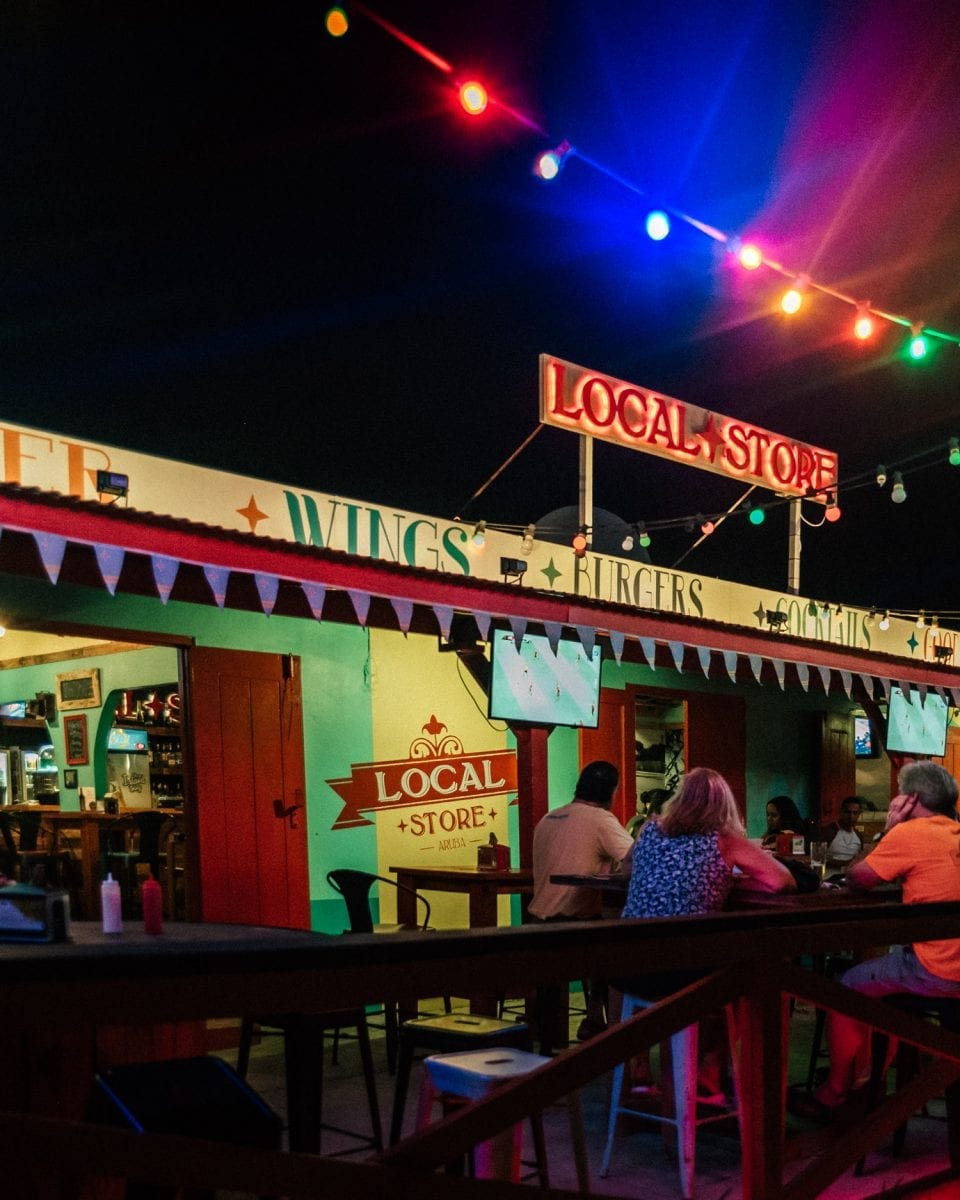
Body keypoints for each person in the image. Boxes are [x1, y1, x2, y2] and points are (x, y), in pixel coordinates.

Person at [791, 761, 960, 1120]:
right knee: (883, 996)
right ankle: (870, 1082)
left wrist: (888, 830)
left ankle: (836, 1092)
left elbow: (857, 878)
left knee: (846, 986)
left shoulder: (910, 834)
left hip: (939, 970)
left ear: (911, 799)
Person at [618, 768, 796, 1098]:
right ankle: (709, 1075)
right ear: (724, 805)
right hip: (678, 970)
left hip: (628, 964)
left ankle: (641, 1073)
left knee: (727, 972)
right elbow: (782, 881)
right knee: (751, 978)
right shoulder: (724, 841)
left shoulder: (650, 830)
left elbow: (627, 869)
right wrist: (731, 876)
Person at [529, 760, 635, 1048]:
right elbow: (637, 859)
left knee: (604, 929)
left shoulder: (549, 818)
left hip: (537, 923)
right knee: (620, 944)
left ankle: (591, 1019)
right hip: (572, 928)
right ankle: (612, 1033)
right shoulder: (600, 819)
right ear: (611, 792)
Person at [820, 795, 865, 864]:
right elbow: (818, 858)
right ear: (841, 812)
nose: (851, 816)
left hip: (850, 874)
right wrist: (847, 863)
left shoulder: (858, 836)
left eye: (855, 813)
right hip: (830, 874)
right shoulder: (829, 831)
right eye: (847, 812)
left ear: (859, 815)